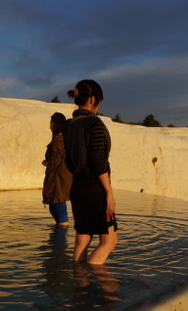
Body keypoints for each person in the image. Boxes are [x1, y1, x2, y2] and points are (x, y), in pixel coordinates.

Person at [63, 79, 118, 264]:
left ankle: (80, 283)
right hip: (95, 190)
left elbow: (68, 161)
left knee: (82, 239)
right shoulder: (94, 124)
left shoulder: (68, 125)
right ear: (93, 99)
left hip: (77, 187)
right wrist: (109, 192)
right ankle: (95, 281)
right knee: (109, 240)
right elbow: (98, 160)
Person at [42, 112, 73, 227]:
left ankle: (61, 236)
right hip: (59, 178)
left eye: (51, 123)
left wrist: (48, 163)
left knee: (59, 207)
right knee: (55, 206)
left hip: (58, 179)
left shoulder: (59, 140)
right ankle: (60, 232)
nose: (50, 126)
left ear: (56, 124)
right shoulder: (62, 138)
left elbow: (56, 159)